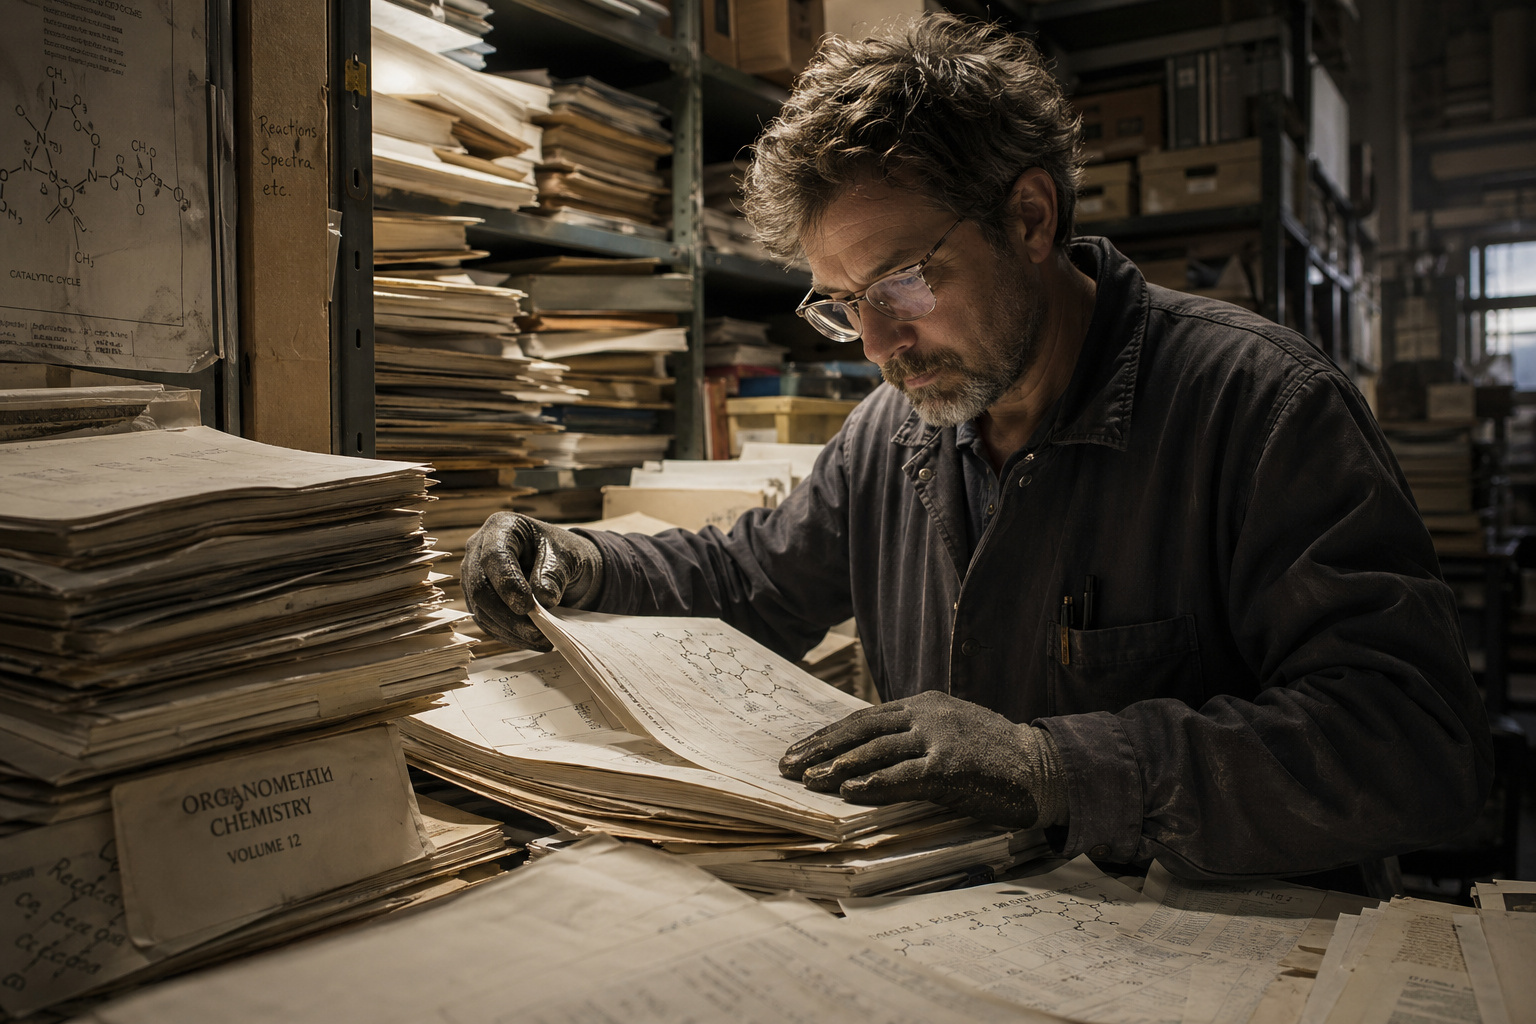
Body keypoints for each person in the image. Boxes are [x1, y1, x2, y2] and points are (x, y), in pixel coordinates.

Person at [462, 14, 1492, 879]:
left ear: (1031, 218)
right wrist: (577, 561)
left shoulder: (1261, 407)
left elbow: (1413, 744)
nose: (877, 345)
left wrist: (1055, 768)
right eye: (845, 305)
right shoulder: (895, 433)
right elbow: (748, 578)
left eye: (904, 283)